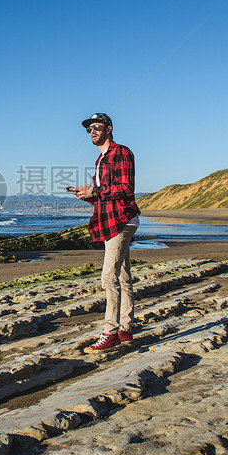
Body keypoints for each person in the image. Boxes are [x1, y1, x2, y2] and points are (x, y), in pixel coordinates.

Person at [69, 113, 141, 352]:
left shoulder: (121, 152)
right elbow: (105, 196)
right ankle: (125, 329)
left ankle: (110, 331)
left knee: (108, 277)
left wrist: (96, 191)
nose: (93, 131)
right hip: (111, 220)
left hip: (122, 221)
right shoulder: (100, 159)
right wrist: (88, 195)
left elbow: (125, 188)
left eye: (97, 127)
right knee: (122, 276)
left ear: (109, 129)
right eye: (89, 129)